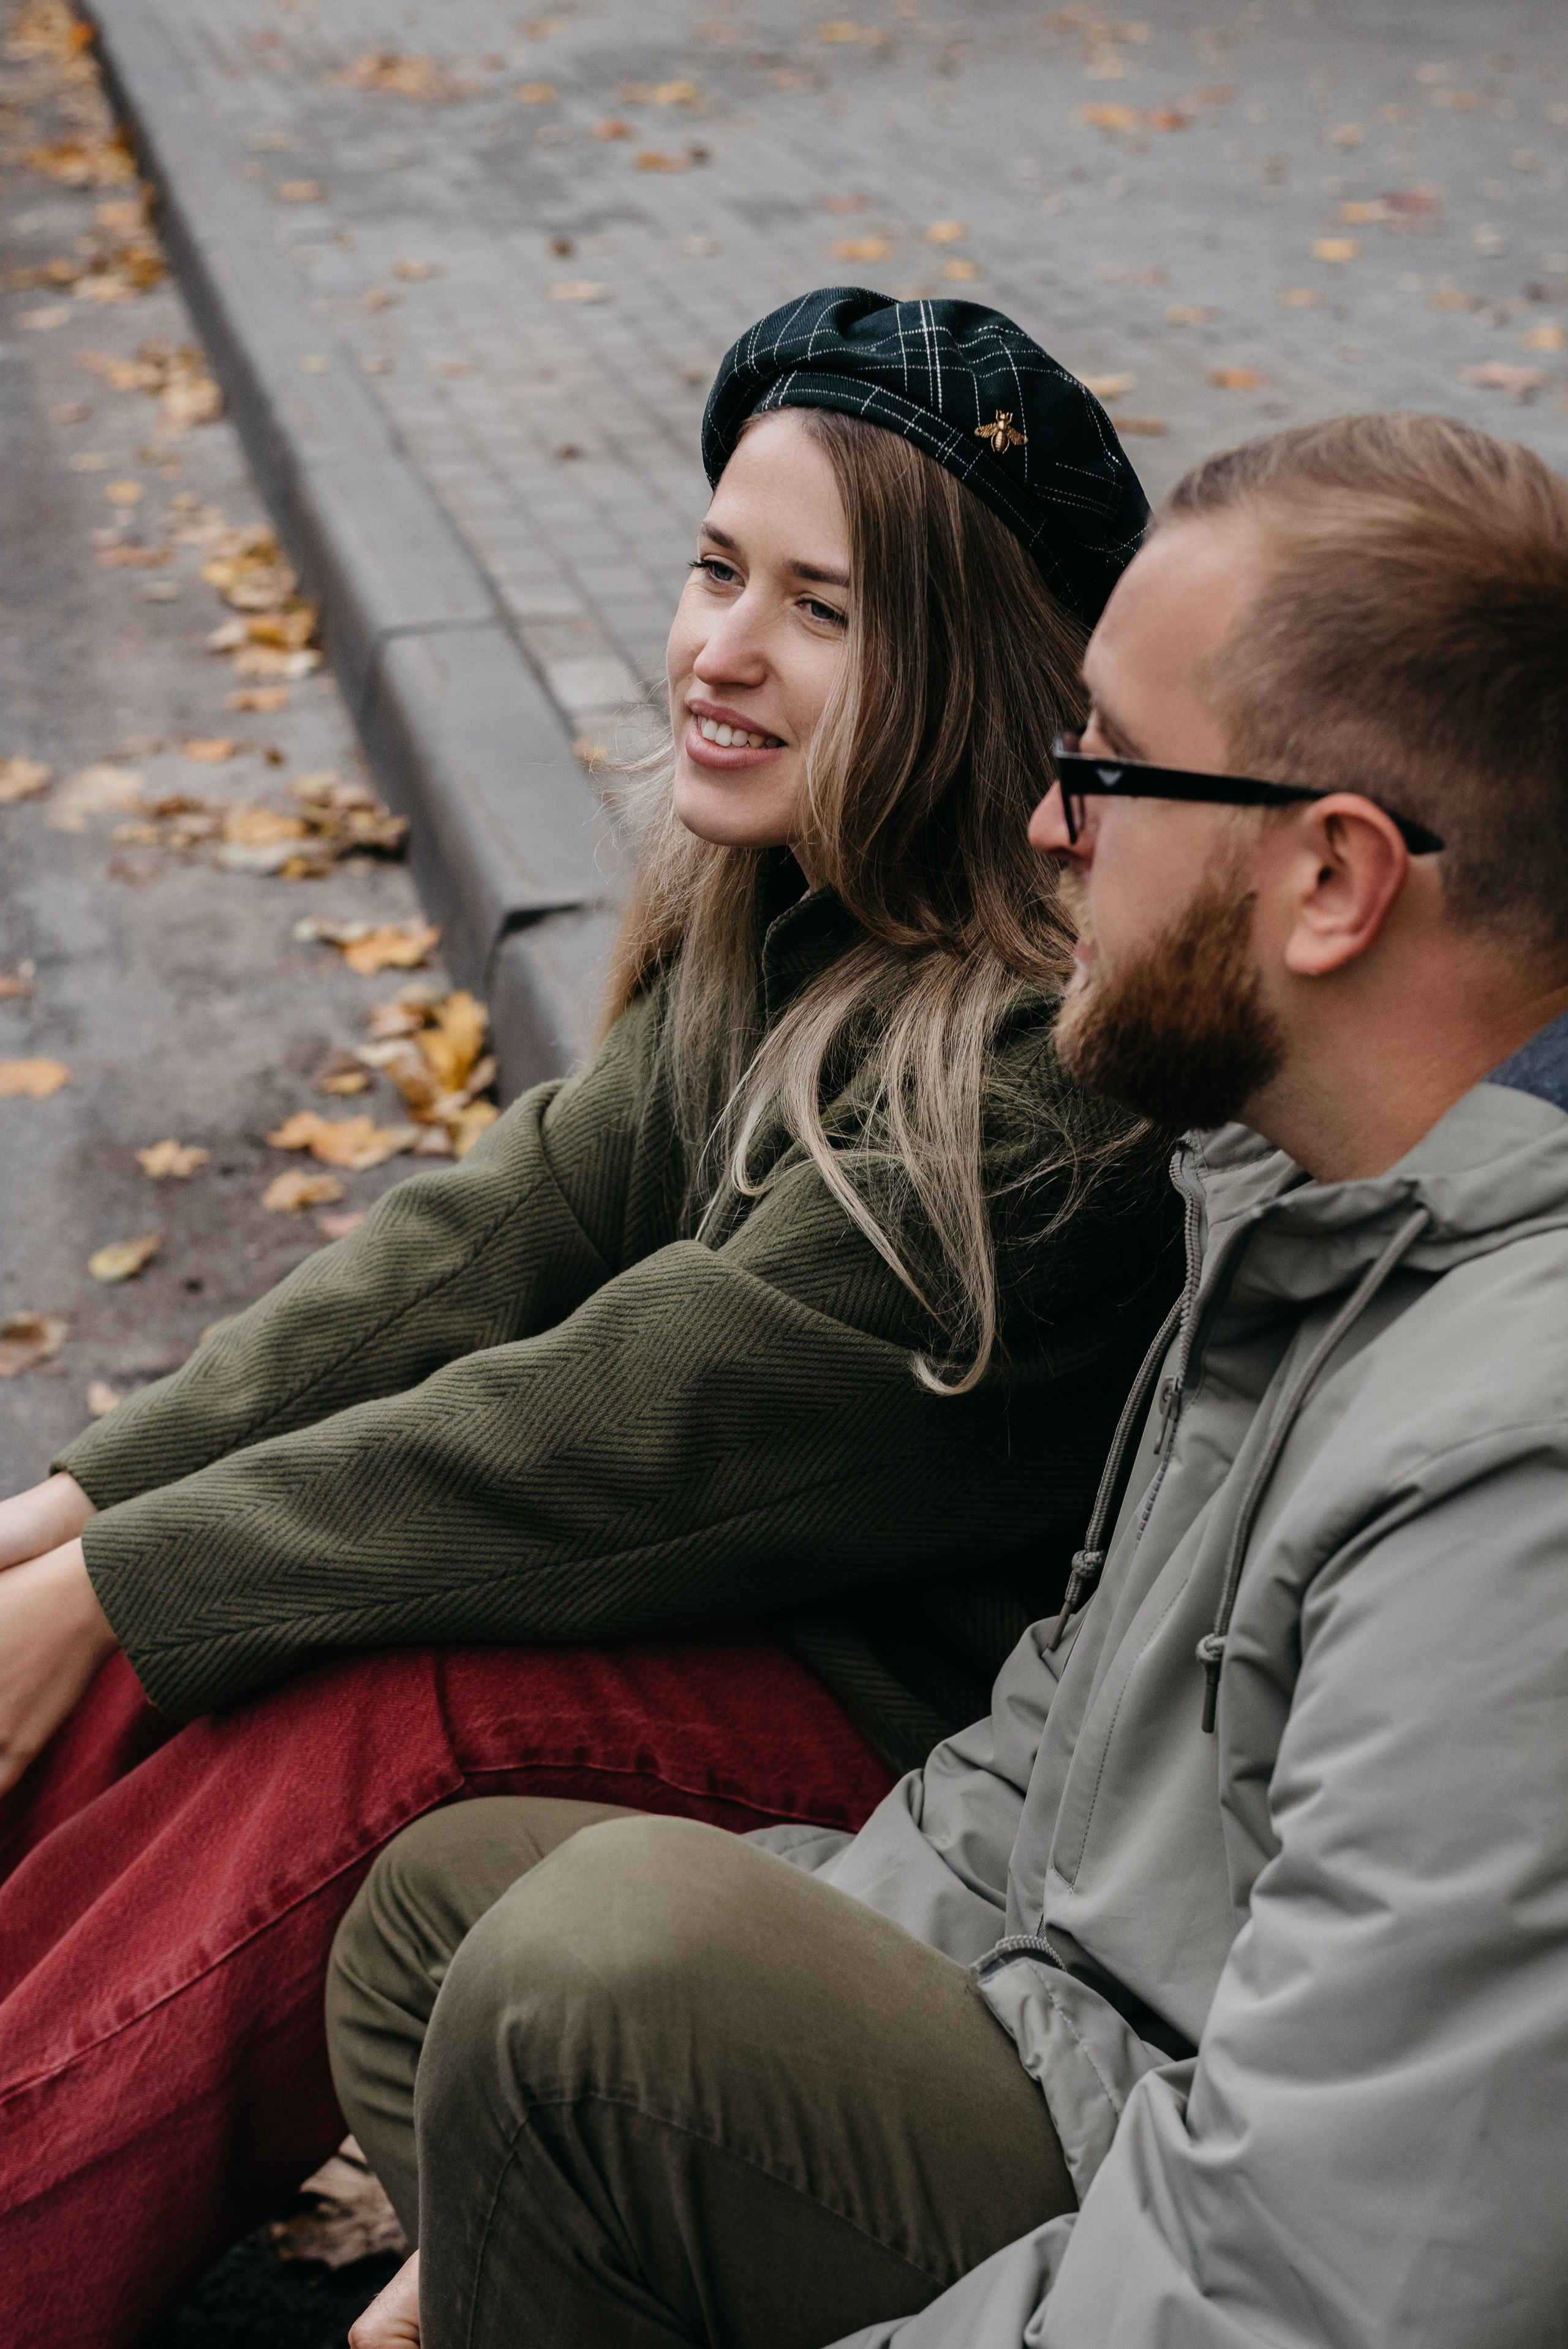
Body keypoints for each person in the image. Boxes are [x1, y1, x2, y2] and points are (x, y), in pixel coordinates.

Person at [0, 289, 1180, 2349]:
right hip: (730, 1632)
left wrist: (130, 1578)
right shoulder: (802, 914)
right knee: (139, 1617)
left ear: (974, 679)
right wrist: (76, 1518)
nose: (723, 646)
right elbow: (483, 1242)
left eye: (822, 609)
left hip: (923, 1770)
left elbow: (610, 1434)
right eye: (719, 569)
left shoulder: (1036, 1102)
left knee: (387, 1696)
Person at [331, 405, 1568, 2349]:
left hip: (1192, 2187)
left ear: (1333, 879)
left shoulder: (1516, 1458)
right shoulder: (1290, 1198)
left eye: (1111, 767)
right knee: (456, 1921)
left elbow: (1311, 2284)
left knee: (584, 1973)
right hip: (1086, 2048)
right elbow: (1030, 1777)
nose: (1048, 825)